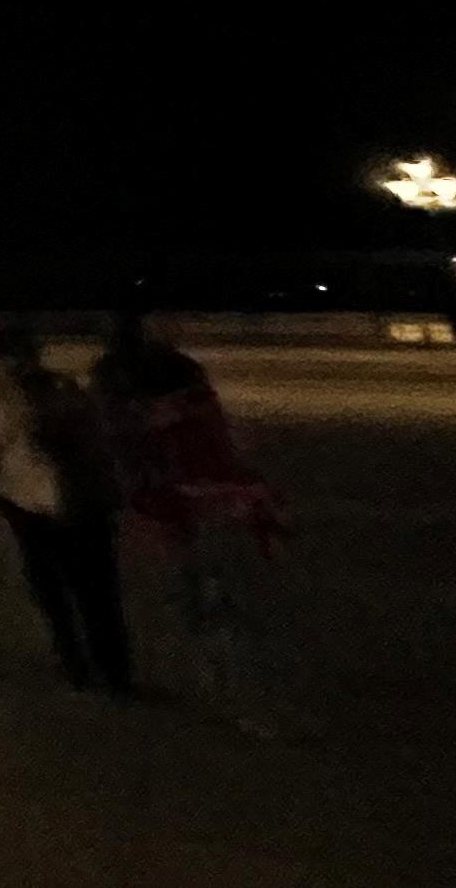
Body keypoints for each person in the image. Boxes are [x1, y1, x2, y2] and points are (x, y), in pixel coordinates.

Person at [96, 310, 287, 723]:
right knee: (210, 563)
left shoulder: (115, 378)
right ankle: (212, 614)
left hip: (164, 491)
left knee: (185, 558)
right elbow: (212, 428)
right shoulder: (182, 378)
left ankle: (201, 618)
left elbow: (115, 434)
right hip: (204, 488)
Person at [0, 325, 133, 693]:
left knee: (94, 594)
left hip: (76, 507)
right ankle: (76, 662)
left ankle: (112, 671)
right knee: (52, 593)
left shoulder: (57, 390)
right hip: (29, 510)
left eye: (6, 358)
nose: (2, 367)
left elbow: (67, 436)